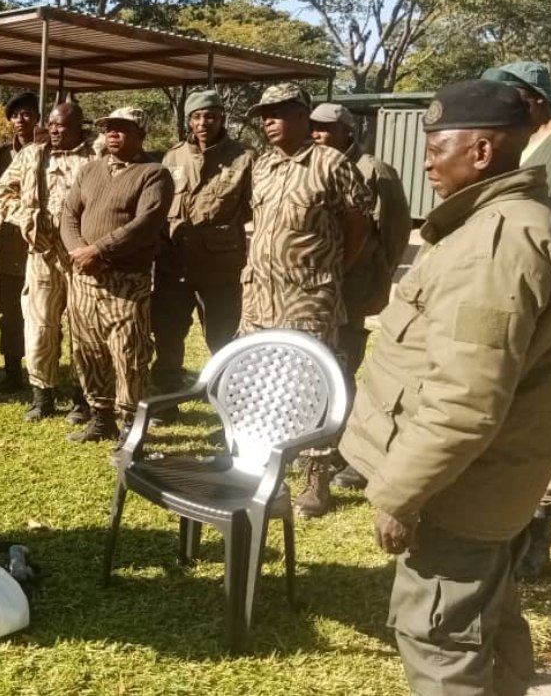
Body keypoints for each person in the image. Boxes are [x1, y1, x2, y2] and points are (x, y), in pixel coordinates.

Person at [340, 79, 551, 696]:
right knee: (487, 625)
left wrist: (399, 494)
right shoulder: (505, 224)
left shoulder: (495, 244)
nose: (425, 160)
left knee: (440, 641)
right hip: (485, 484)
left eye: (435, 146)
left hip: (458, 492)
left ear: (481, 151)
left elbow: (465, 401)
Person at [239, 82, 371, 518]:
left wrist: (330, 270)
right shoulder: (261, 165)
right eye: (264, 114)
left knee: (311, 387)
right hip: (259, 297)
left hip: (308, 300)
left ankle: (316, 479)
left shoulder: (331, 163)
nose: (268, 121)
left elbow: (358, 225)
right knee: (263, 384)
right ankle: (267, 471)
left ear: (302, 115)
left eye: (277, 112)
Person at [482, 61, 551, 578]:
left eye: (507, 98)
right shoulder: (505, 145)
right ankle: (502, 509)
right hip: (506, 290)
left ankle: (539, 525)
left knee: (543, 404)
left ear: (533, 98)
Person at [309, 102, 412, 491]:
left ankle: (351, 451)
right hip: (318, 285)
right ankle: (321, 440)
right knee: (318, 363)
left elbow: (393, 233)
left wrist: (376, 283)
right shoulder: (313, 163)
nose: (317, 134)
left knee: (342, 364)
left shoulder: (373, 170)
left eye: (326, 129)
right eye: (313, 128)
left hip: (353, 285)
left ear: (347, 131)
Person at [60, 107, 173, 445]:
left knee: (129, 355)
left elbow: (146, 223)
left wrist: (101, 251)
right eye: (108, 128)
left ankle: (130, 426)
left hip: (126, 281)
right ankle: (100, 417)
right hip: (84, 279)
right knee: (87, 349)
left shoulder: (154, 173)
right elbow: (68, 213)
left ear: (140, 134)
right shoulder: (89, 170)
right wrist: (79, 251)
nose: (112, 134)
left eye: (122, 129)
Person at [0, 101, 95, 423]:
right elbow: (4, 191)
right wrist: (25, 218)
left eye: (62, 126)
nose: (54, 130)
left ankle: (84, 398)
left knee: (84, 328)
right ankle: (43, 396)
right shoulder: (31, 155)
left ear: (79, 126)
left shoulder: (95, 157)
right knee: (39, 326)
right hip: (41, 253)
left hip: (81, 256)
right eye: (51, 124)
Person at [152, 90, 253, 391]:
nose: (204, 122)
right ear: (189, 122)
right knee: (168, 334)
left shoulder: (244, 158)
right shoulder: (174, 156)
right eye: (197, 117)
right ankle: (167, 397)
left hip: (219, 268)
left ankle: (226, 395)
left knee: (221, 337)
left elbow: (250, 209)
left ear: (222, 118)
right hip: (174, 265)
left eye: (211, 116)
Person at [0, 92, 41, 392]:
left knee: (43, 312)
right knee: (9, 311)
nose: (20, 121)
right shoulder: (2, 155)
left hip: (44, 242)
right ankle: (12, 370)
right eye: (15, 115)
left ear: (37, 117)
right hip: (12, 241)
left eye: (26, 114)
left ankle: (41, 370)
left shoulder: (52, 149)